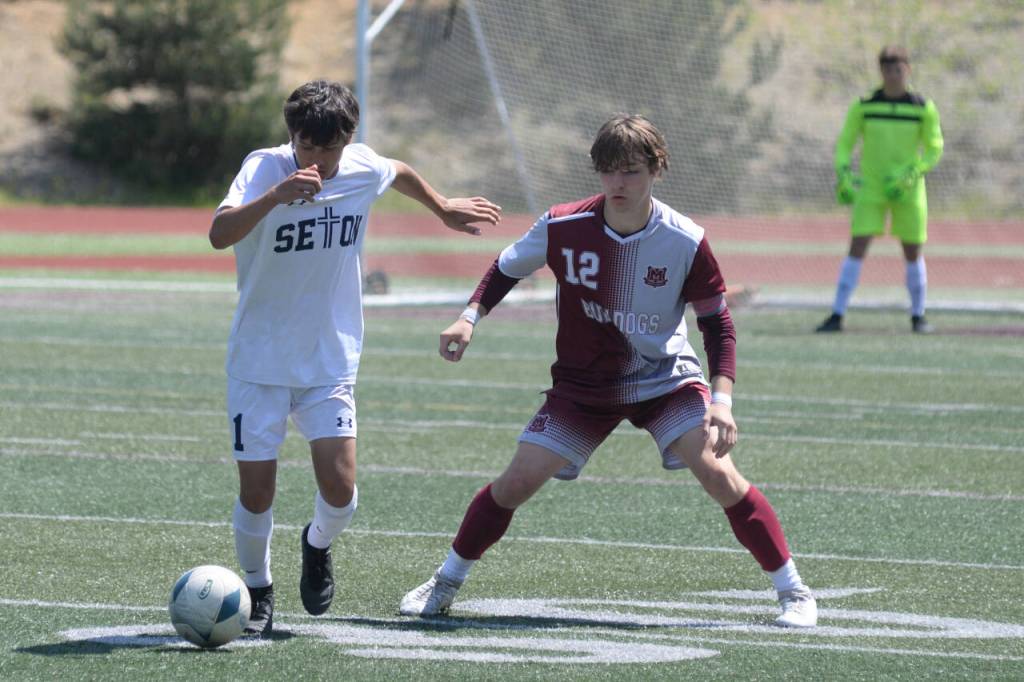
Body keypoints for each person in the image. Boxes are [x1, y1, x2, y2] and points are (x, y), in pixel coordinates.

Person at [399, 114, 817, 628]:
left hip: (664, 379)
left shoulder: (684, 240)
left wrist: (721, 401)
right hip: (584, 385)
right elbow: (507, 266)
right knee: (516, 482)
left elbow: (717, 324)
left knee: (718, 472)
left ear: (657, 170)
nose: (619, 183)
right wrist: (469, 318)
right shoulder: (562, 224)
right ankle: (443, 584)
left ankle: (794, 592)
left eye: (632, 172)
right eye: (609, 171)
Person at [209, 79, 501, 637]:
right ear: (291, 136)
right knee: (257, 491)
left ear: (348, 140)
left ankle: (316, 544)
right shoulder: (264, 168)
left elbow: (397, 170)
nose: (317, 160)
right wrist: (274, 198)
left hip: (329, 360)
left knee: (341, 493)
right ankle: (258, 588)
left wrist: (443, 207)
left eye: (329, 149)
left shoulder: (362, 167)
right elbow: (220, 234)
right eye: (307, 146)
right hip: (259, 361)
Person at [818, 45, 944, 334]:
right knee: (857, 246)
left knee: (912, 250)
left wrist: (913, 172)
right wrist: (843, 173)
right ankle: (837, 314)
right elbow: (845, 143)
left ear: (907, 70)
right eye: (887, 70)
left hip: (908, 190)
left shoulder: (922, 107)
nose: (893, 76)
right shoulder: (864, 105)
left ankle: (918, 316)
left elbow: (934, 147)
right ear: (881, 71)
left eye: (898, 70)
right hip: (871, 188)